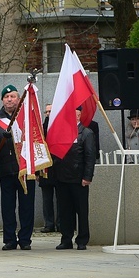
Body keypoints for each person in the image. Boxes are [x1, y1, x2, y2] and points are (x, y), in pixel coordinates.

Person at [0, 84, 35, 251]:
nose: (9, 99)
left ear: (18, 98)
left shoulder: (26, 116)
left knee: (26, 206)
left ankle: (25, 239)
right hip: (6, 170)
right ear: (2, 100)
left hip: (25, 169)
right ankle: (9, 240)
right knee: (8, 207)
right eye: (6, 97)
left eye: (13, 96)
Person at [53, 107, 96, 251]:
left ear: (79, 116)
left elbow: (90, 157)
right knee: (65, 211)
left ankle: (82, 239)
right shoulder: (61, 132)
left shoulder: (86, 133)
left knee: (81, 211)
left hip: (79, 179)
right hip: (62, 178)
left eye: (75, 114)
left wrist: (87, 176)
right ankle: (66, 239)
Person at [39, 103, 58, 232]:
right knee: (47, 199)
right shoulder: (41, 128)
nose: (48, 114)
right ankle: (49, 223)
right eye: (46, 112)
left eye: (51, 111)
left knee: (61, 198)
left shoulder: (60, 126)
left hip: (59, 168)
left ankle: (61, 223)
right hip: (45, 167)